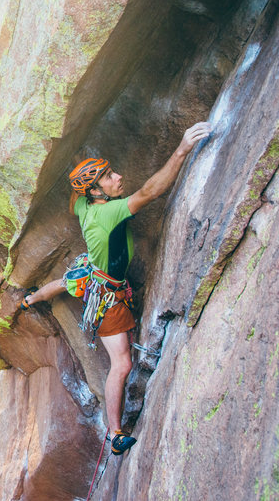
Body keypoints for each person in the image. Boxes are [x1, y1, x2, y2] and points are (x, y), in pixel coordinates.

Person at [20, 121, 211, 455]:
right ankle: (114, 434)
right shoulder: (107, 213)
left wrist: (80, 176)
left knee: (67, 282)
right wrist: (181, 149)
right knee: (121, 365)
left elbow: (73, 202)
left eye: (111, 173)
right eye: (109, 177)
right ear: (96, 192)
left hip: (94, 273)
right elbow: (150, 192)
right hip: (108, 299)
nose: (118, 177)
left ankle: (30, 299)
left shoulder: (83, 206)